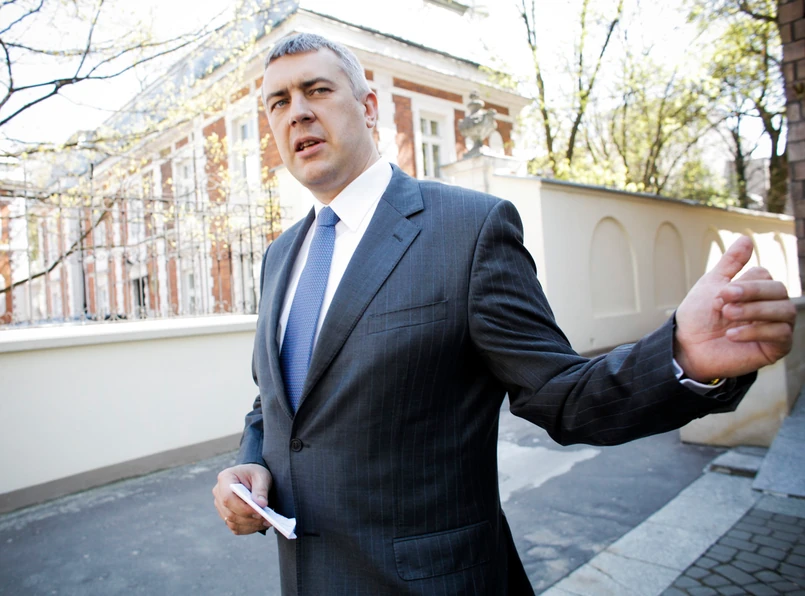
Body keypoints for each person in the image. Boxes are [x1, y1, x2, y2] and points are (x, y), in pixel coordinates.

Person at [213, 33, 796, 595]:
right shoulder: (279, 256)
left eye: (317, 90)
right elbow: (277, 403)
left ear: (368, 108)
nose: (297, 112)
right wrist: (249, 465)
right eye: (278, 102)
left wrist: (683, 356)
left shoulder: (468, 230)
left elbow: (561, 394)